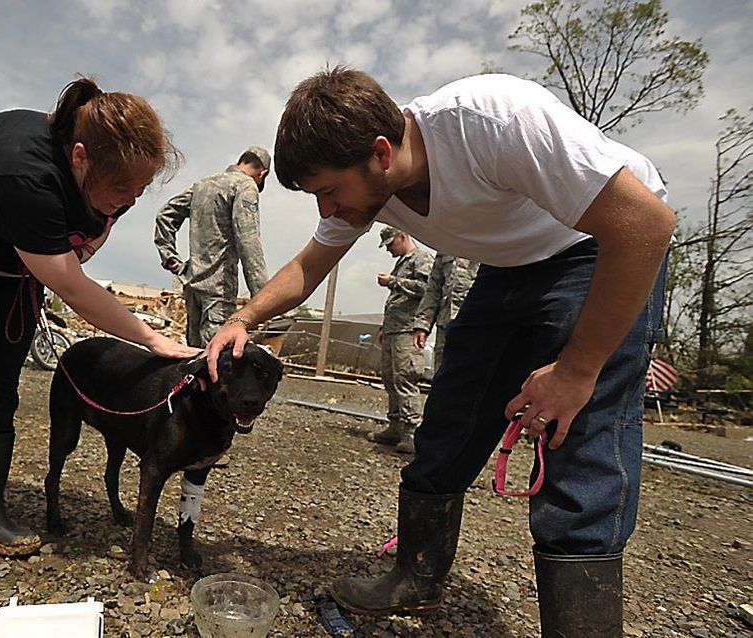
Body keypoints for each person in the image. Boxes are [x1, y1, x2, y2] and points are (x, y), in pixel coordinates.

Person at [206, 69, 674, 636]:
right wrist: (242, 319)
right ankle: (415, 575)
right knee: (451, 418)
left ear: (381, 154)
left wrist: (578, 369)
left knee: (577, 439)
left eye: (328, 191)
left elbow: (645, 223)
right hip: (509, 268)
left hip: (601, 248)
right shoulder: (366, 192)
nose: (326, 210)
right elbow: (308, 267)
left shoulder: (494, 122)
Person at [0, 77, 199, 580]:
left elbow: (78, 247)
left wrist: (114, 204)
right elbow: (73, 287)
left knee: (2, 384)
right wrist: (153, 339)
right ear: (79, 156)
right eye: (123, 188)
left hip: (5, 256)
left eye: (140, 189)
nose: (132, 200)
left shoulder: (105, 191)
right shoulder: (25, 170)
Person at [154, 147, 271, 347]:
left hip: (192, 283)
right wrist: (263, 300)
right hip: (219, 289)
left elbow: (165, 214)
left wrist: (170, 257)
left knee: (192, 355)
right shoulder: (245, 186)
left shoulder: (202, 185)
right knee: (213, 357)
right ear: (263, 173)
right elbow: (249, 243)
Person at [368, 226, 433, 453]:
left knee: (405, 379)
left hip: (408, 330)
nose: (388, 251)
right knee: (390, 378)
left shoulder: (421, 259)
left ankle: (411, 431)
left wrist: (394, 281)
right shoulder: (404, 262)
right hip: (395, 329)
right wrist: (385, 328)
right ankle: (395, 426)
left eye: (390, 245)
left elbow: (427, 289)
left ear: (403, 237)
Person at [411, 253, 479, 373]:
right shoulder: (446, 246)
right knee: (441, 374)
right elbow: (434, 288)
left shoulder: (490, 241)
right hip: (446, 326)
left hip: (477, 325)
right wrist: (422, 325)